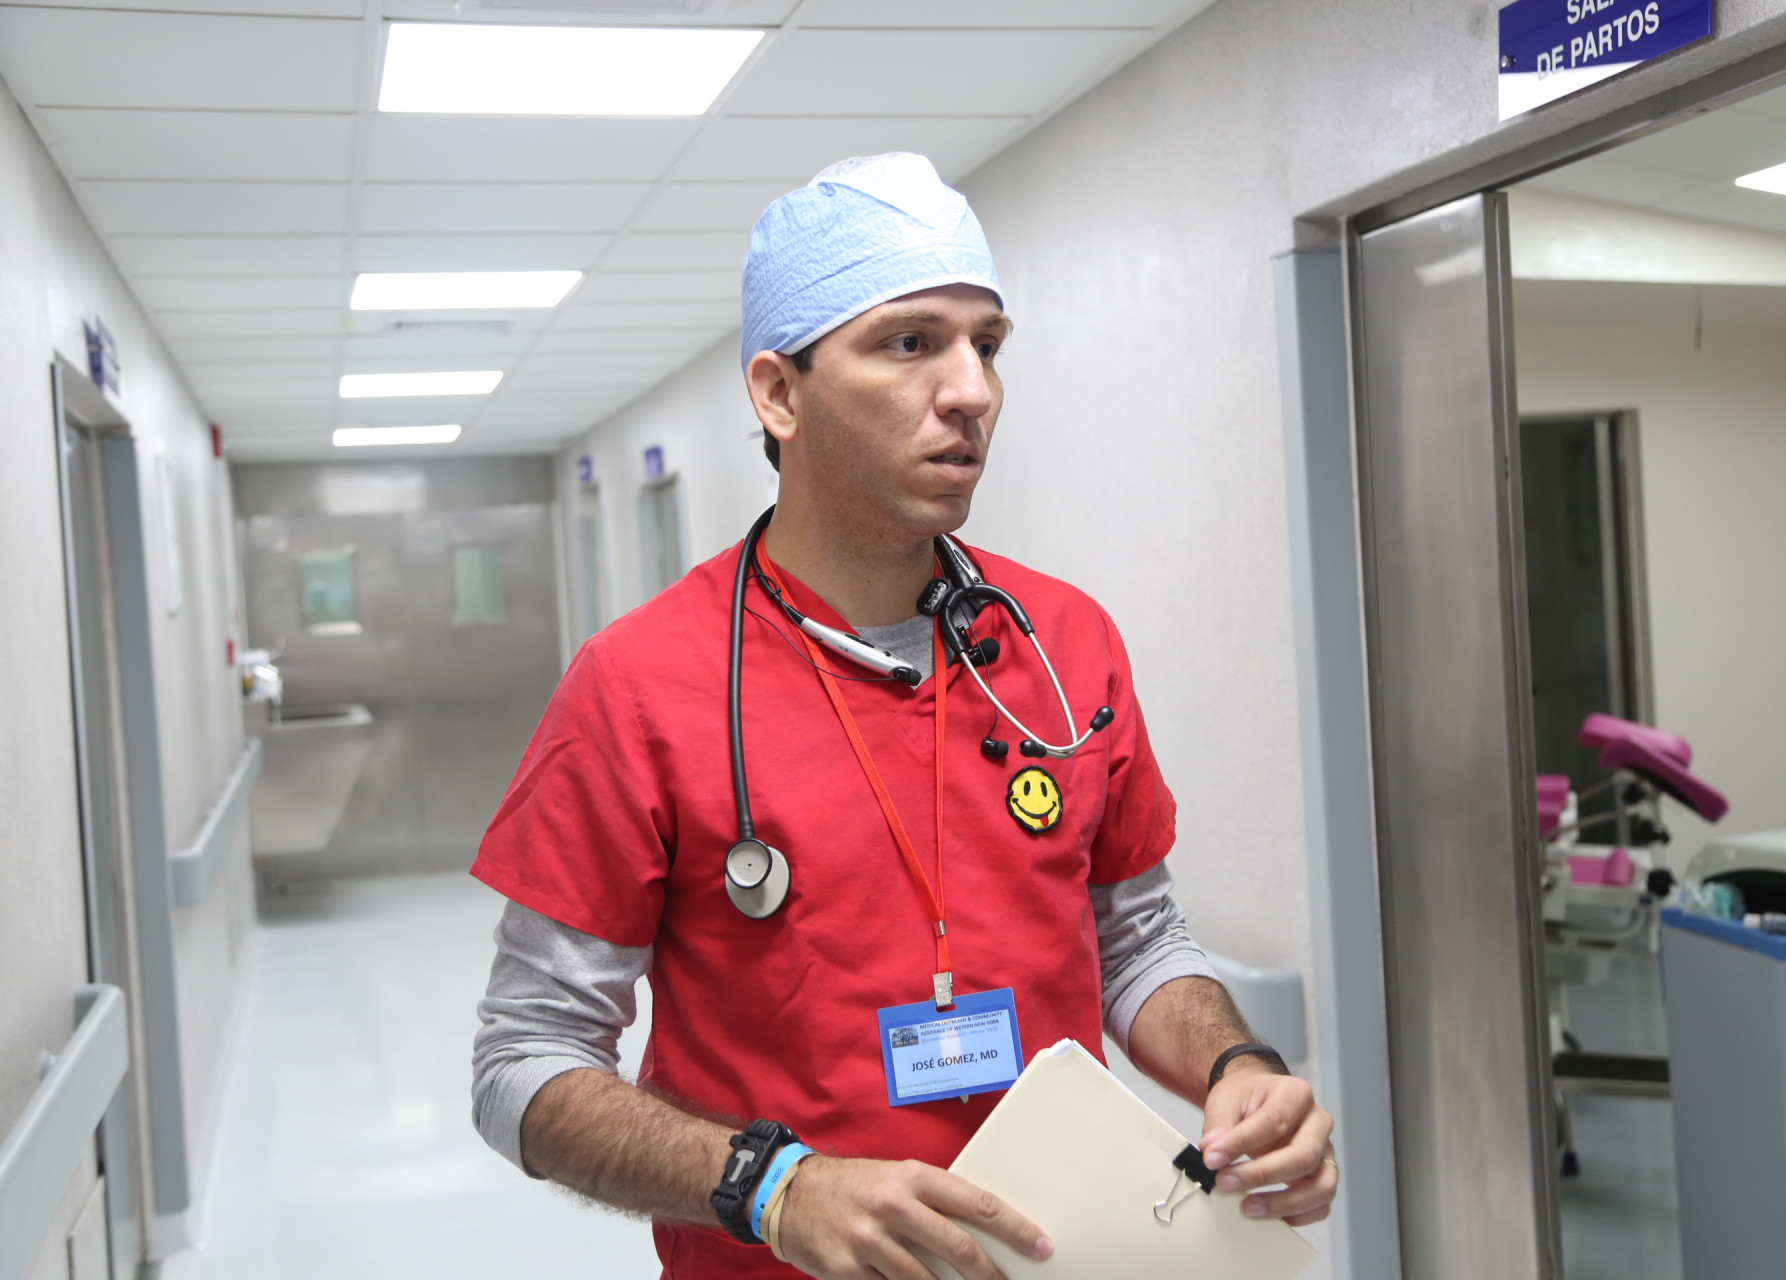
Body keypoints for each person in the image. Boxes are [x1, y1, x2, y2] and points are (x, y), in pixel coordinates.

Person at [470, 152, 1337, 1280]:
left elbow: (1134, 938)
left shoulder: (1062, 643)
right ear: (780, 394)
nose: (972, 389)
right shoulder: (637, 687)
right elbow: (524, 1061)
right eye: (911, 342)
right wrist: (772, 1187)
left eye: (989, 344)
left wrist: (1235, 1064)